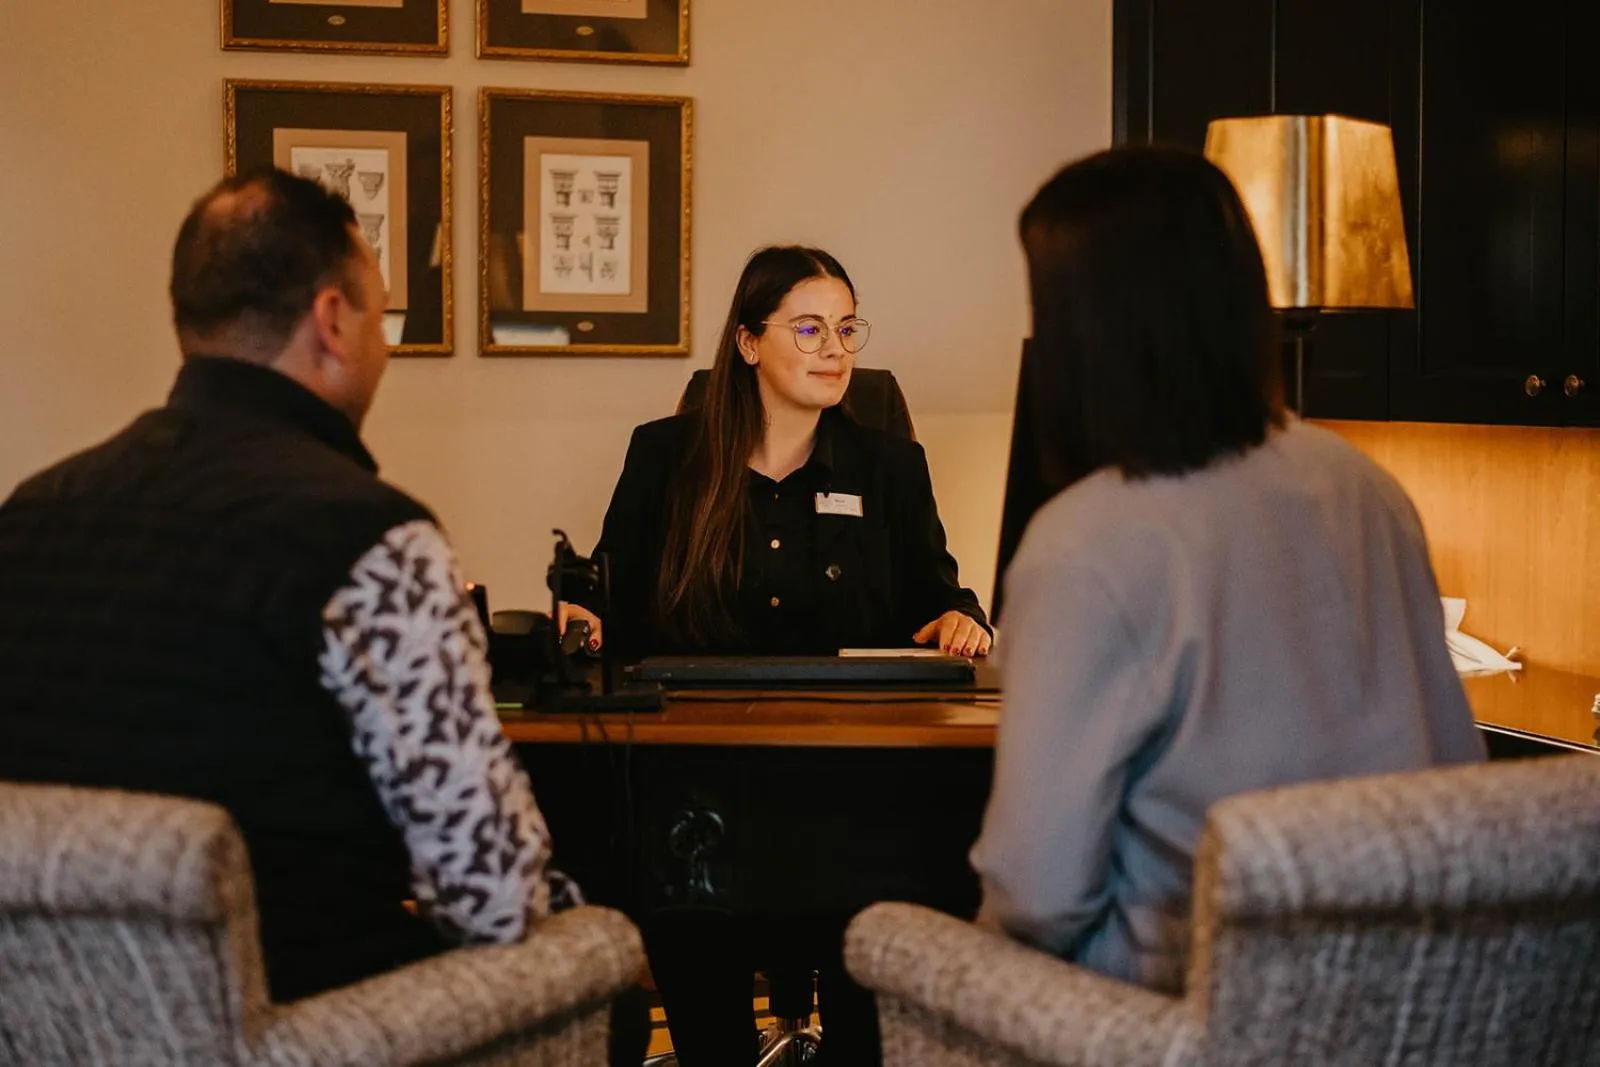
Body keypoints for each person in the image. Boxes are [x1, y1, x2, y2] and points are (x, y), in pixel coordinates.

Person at [0, 168, 645, 1063]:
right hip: (306, 1026)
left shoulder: (29, 515)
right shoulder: (370, 539)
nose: (380, 343)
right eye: (381, 317)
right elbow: (492, 892)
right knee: (593, 944)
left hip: (61, 1034)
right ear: (333, 321)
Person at [970, 146, 1484, 994]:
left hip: (1179, 1011)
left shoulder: (1087, 543)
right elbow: (1458, 776)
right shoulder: (1366, 487)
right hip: (1403, 996)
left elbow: (1038, 892)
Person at [563, 245, 991, 1065]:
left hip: (852, 778)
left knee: (875, 953)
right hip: (698, 780)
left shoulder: (890, 467)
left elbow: (940, 596)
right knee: (692, 937)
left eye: (846, 327)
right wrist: (579, 615)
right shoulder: (666, 457)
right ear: (749, 341)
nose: (835, 349)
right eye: (808, 328)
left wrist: (954, 619)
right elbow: (606, 601)